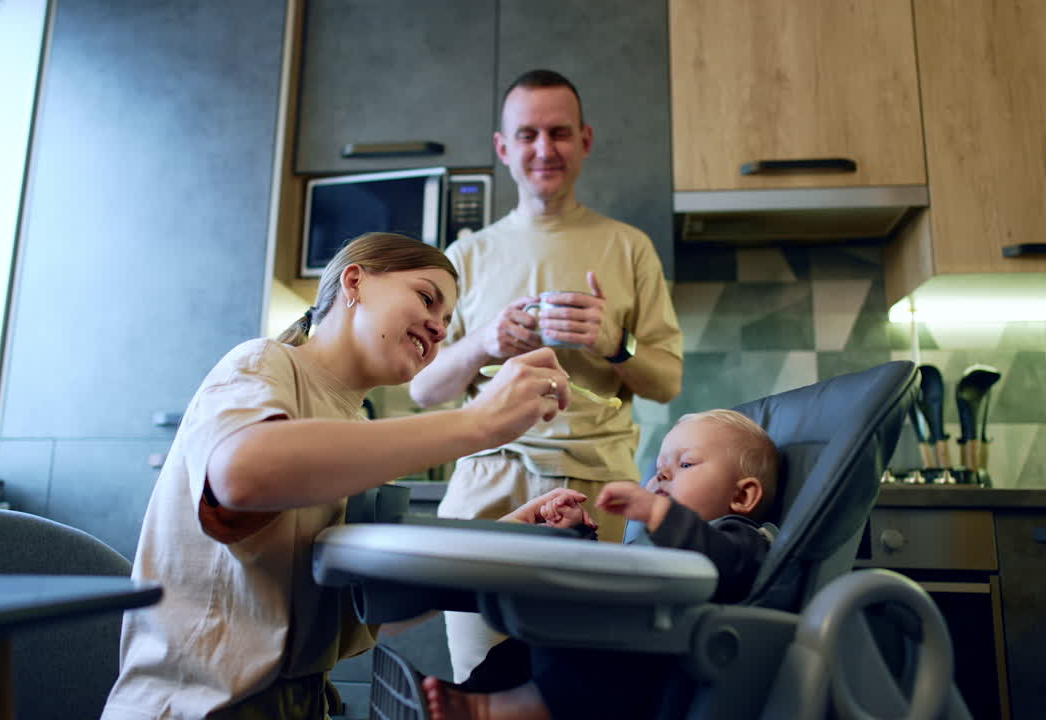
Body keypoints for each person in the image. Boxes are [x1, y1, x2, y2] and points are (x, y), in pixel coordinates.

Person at [100, 232, 576, 720]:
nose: (438, 329)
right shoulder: (263, 363)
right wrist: (478, 424)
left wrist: (510, 534)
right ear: (355, 282)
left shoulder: (356, 428)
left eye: (447, 322)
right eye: (426, 299)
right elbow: (242, 474)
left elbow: (372, 605)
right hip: (195, 707)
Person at [408, 68, 684, 682]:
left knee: (585, 692)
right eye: (527, 134)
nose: (543, 149)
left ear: (585, 140)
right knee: (480, 694)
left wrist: (614, 342)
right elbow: (423, 389)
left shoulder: (630, 247)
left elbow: (666, 382)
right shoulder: (465, 256)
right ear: (503, 148)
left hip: (598, 495)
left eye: (559, 132)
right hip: (486, 487)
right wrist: (484, 341)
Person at [418, 409, 781, 720]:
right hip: (622, 639)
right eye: (659, 469)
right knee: (522, 642)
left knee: (576, 649)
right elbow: (620, 571)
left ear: (742, 495)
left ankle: (503, 710)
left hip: (652, 667)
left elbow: (721, 562)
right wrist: (578, 534)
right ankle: (474, 694)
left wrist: (659, 513)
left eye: (685, 464)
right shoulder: (663, 541)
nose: (662, 476)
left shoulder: (742, 538)